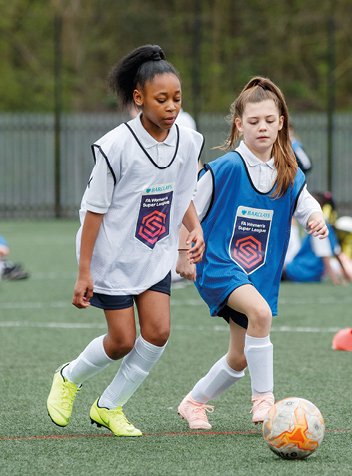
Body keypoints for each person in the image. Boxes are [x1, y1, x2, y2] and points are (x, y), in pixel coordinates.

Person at [46, 45, 205, 437]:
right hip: (110, 254)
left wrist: (192, 232)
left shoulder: (186, 141)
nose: (171, 107)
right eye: (161, 99)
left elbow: (183, 192)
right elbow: (94, 212)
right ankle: (68, 377)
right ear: (139, 99)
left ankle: (110, 407)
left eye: (177, 99)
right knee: (120, 340)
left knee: (158, 331)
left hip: (152, 251)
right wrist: (84, 272)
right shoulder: (115, 147)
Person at [175, 77, 327, 430]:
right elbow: (188, 208)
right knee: (260, 314)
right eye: (254, 122)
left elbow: (306, 205)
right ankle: (265, 402)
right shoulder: (225, 168)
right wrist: (184, 252)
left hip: (257, 274)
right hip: (217, 265)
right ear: (239, 125)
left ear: (281, 123)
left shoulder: (289, 173)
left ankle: (194, 402)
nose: (263, 128)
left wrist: (315, 219)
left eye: (269, 121)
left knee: (240, 356)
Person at [283, 192, 352, 285]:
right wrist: (345, 276)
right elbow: (336, 254)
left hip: (300, 272)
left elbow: (325, 256)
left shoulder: (318, 226)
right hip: (310, 274)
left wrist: (336, 280)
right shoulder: (328, 227)